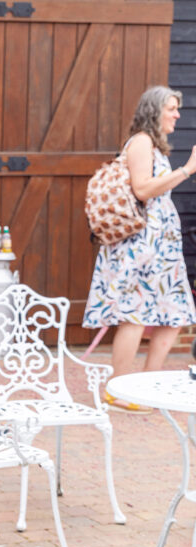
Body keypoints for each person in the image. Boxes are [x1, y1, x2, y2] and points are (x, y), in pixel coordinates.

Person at [83, 85, 196, 412]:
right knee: (133, 315)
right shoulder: (142, 142)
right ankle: (118, 391)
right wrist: (186, 171)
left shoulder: (155, 146)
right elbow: (143, 189)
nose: (177, 114)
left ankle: (146, 387)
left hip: (161, 249)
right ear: (154, 110)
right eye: (171, 108)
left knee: (174, 316)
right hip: (139, 247)